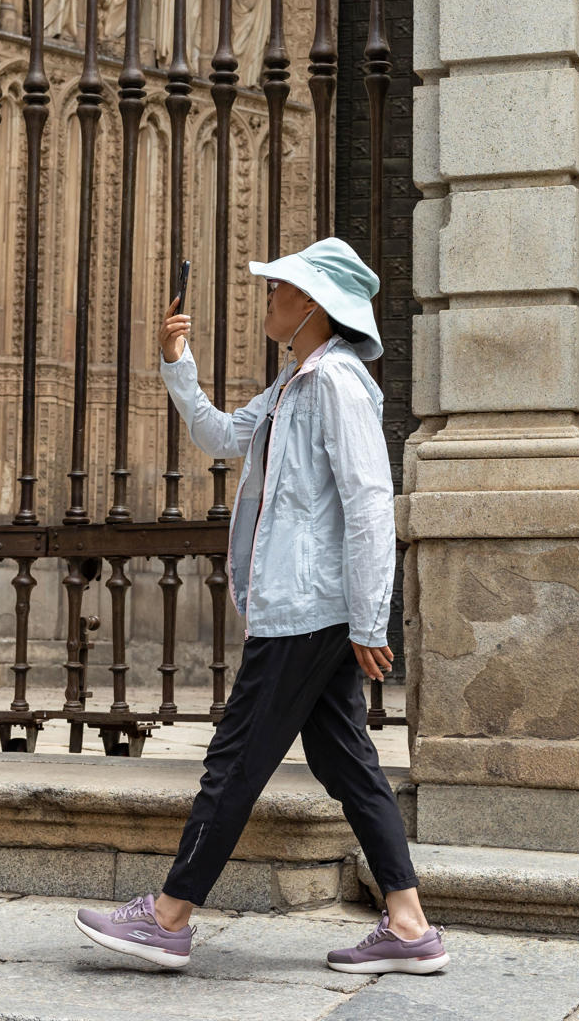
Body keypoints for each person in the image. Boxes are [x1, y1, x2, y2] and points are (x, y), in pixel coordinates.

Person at [73, 238, 447, 976]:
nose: (267, 301)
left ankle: (171, 916)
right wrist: (179, 364)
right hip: (299, 605)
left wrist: (372, 619)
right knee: (348, 765)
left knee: (235, 759)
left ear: (309, 304)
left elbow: (370, 503)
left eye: (277, 290)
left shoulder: (335, 383)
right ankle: (408, 924)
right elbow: (218, 434)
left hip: (307, 607)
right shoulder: (290, 388)